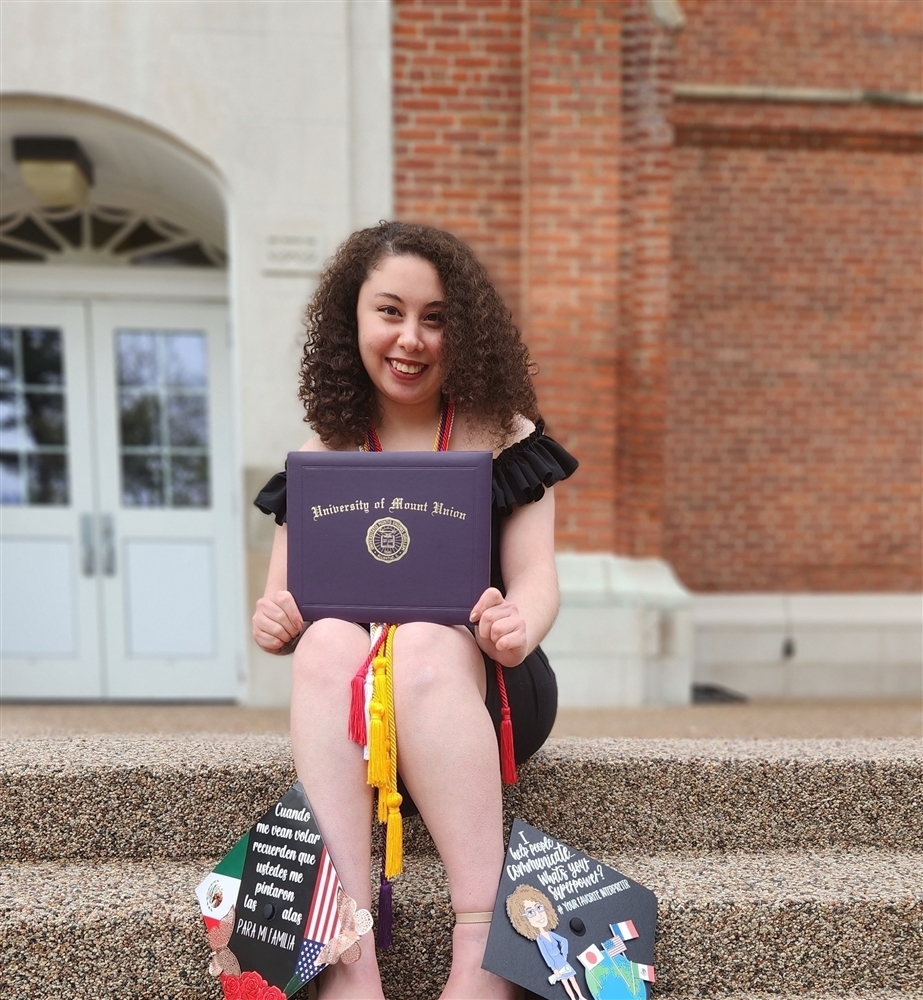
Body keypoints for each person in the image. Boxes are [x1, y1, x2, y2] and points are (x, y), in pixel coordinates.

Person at [251, 221, 578, 1000]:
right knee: (329, 639)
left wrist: (516, 624)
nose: (411, 338)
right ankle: (346, 950)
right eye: (390, 312)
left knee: (429, 636)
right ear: (352, 322)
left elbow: (538, 578)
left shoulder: (506, 438)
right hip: (359, 699)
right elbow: (281, 600)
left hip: (482, 688)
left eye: (435, 318)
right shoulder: (324, 452)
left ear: (463, 331)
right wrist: (273, 624)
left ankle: (482, 949)